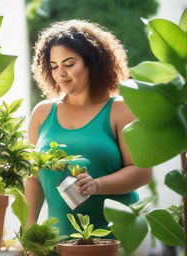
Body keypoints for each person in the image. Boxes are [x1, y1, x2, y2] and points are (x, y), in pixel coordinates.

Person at [25, 19, 152, 236]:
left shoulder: (121, 109)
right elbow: (33, 178)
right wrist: (29, 225)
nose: (60, 74)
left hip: (118, 236)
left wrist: (98, 185)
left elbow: (141, 172)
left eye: (69, 64)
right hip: (58, 238)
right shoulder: (42, 113)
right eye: (54, 66)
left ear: (92, 62)